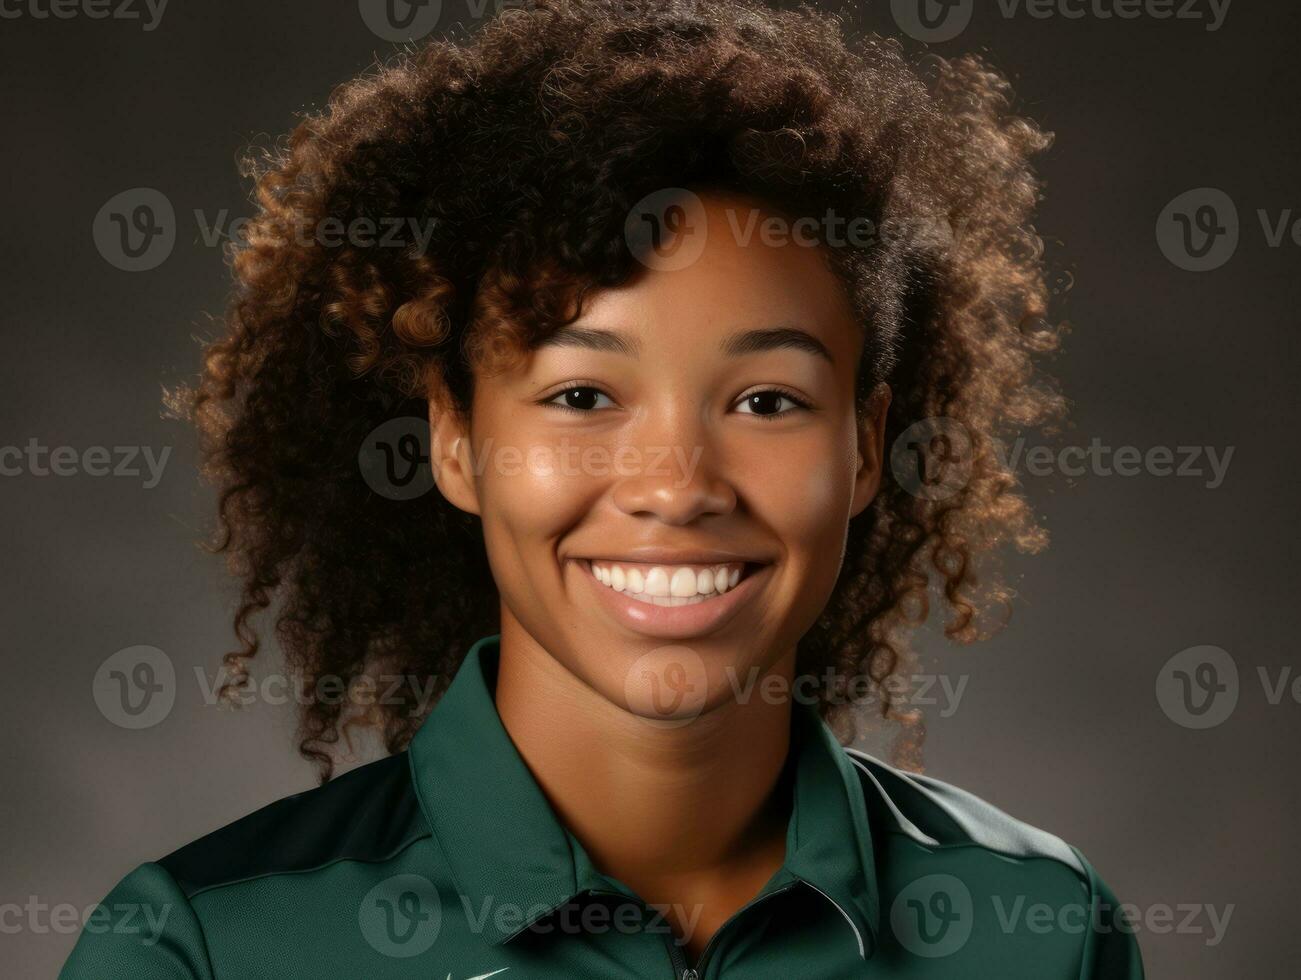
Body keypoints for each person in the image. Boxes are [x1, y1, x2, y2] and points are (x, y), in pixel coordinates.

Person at [61, 1, 1144, 976]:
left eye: (766, 401)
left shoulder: (1039, 930)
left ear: (864, 448)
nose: (675, 486)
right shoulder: (206, 948)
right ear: (452, 438)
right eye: (581, 394)